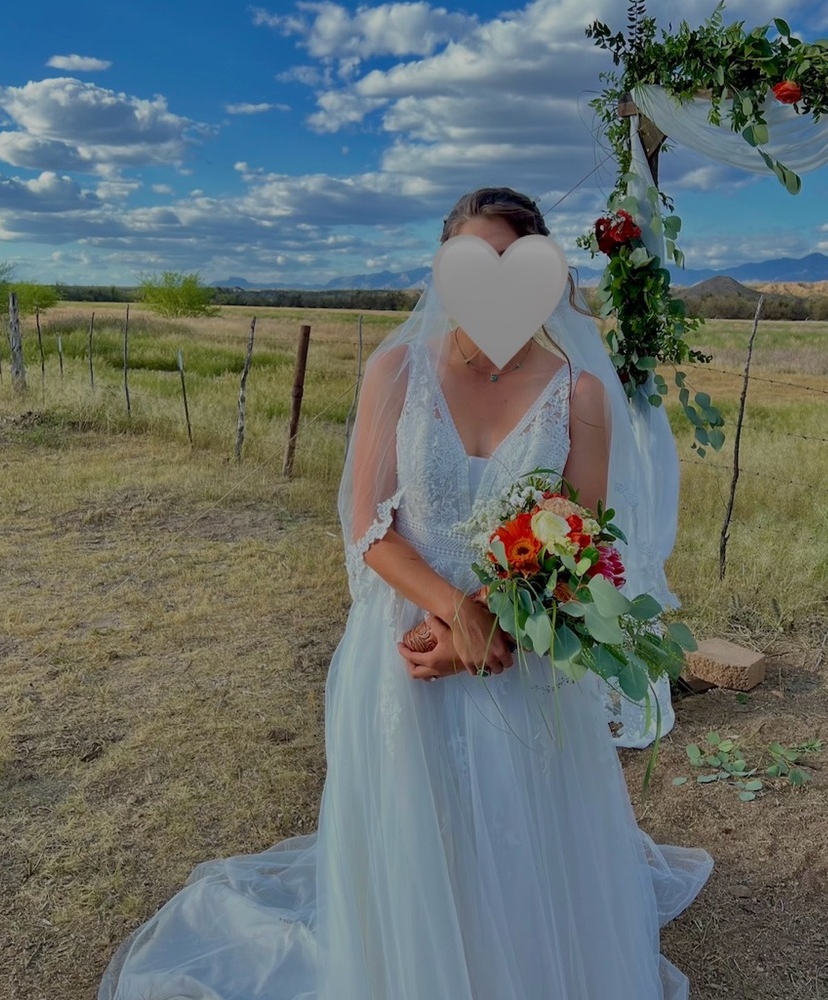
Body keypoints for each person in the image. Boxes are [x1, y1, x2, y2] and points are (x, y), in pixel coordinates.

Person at [99, 187, 712, 1000]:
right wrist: (455, 614)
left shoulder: (581, 395)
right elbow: (366, 520)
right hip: (406, 643)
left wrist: (492, 627)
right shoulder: (397, 370)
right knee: (418, 837)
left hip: (519, 651)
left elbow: (582, 540)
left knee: (514, 835)